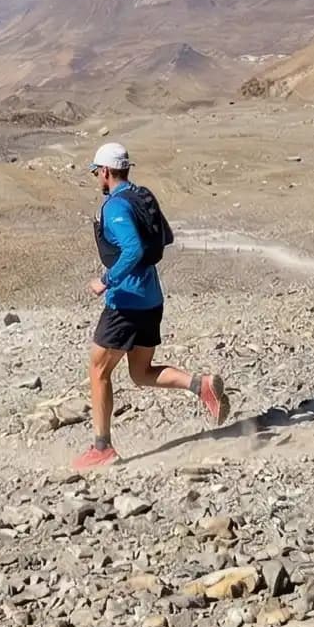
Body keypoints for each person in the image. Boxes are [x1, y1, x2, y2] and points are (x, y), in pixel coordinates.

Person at [74, 142, 230, 470]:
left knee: (99, 370)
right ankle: (200, 386)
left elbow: (131, 249)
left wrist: (106, 280)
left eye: (96, 173)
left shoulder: (116, 208)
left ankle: (102, 448)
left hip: (126, 303)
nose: (96, 178)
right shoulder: (142, 196)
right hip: (151, 299)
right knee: (140, 372)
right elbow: (163, 238)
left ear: (104, 171)